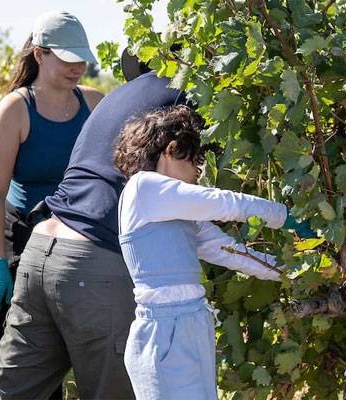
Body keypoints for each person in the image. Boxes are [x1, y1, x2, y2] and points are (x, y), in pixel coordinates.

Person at [113, 105, 314, 399]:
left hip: (192, 323)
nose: (197, 174)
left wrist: (294, 272)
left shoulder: (174, 208)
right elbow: (224, 203)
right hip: (164, 331)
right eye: (196, 162)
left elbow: (229, 252)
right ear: (171, 149)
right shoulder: (143, 189)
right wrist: (286, 217)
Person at [0, 10, 102, 399]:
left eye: (81, 58)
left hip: (79, 241)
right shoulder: (16, 109)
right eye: (66, 59)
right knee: (29, 354)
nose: (77, 67)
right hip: (24, 239)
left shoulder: (95, 105)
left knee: (80, 345)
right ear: (40, 55)